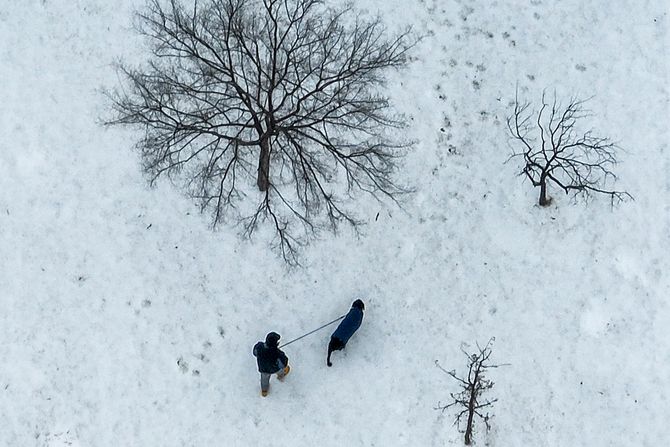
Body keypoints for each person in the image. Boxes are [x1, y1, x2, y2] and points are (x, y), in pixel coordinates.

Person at [327, 299, 365, 367]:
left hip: (335, 338)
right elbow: (357, 325)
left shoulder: (353, 311)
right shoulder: (360, 314)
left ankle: (329, 357)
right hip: (341, 341)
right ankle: (340, 351)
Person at [253, 332, 290, 397]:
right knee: (280, 370)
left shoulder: (259, 347)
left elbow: (254, 352)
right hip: (274, 369)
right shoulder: (277, 353)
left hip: (263, 369)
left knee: (264, 379)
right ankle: (281, 375)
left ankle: (264, 390)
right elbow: (284, 363)